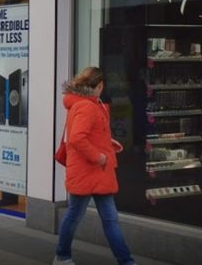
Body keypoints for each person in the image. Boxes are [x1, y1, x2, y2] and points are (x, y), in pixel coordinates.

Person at [54, 66, 134, 265]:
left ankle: (126, 261)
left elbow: (86, 135)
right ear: (99, 85)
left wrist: (107, 145)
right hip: (88, 170)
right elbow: (76, 139)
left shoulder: (84, 103)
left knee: (102, 218)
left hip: (93, 171)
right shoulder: (87, 106)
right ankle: (62, 256)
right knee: (82, 216)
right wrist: (99, 156)